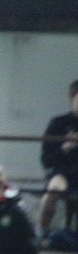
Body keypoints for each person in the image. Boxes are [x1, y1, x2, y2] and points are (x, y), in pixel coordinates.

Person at [38, 79, 78, 237]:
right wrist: (65, 148)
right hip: (63, 173)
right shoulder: (58, 123)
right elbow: (46, 160)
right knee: (53, 189)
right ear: (72, 98)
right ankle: (40, 233)